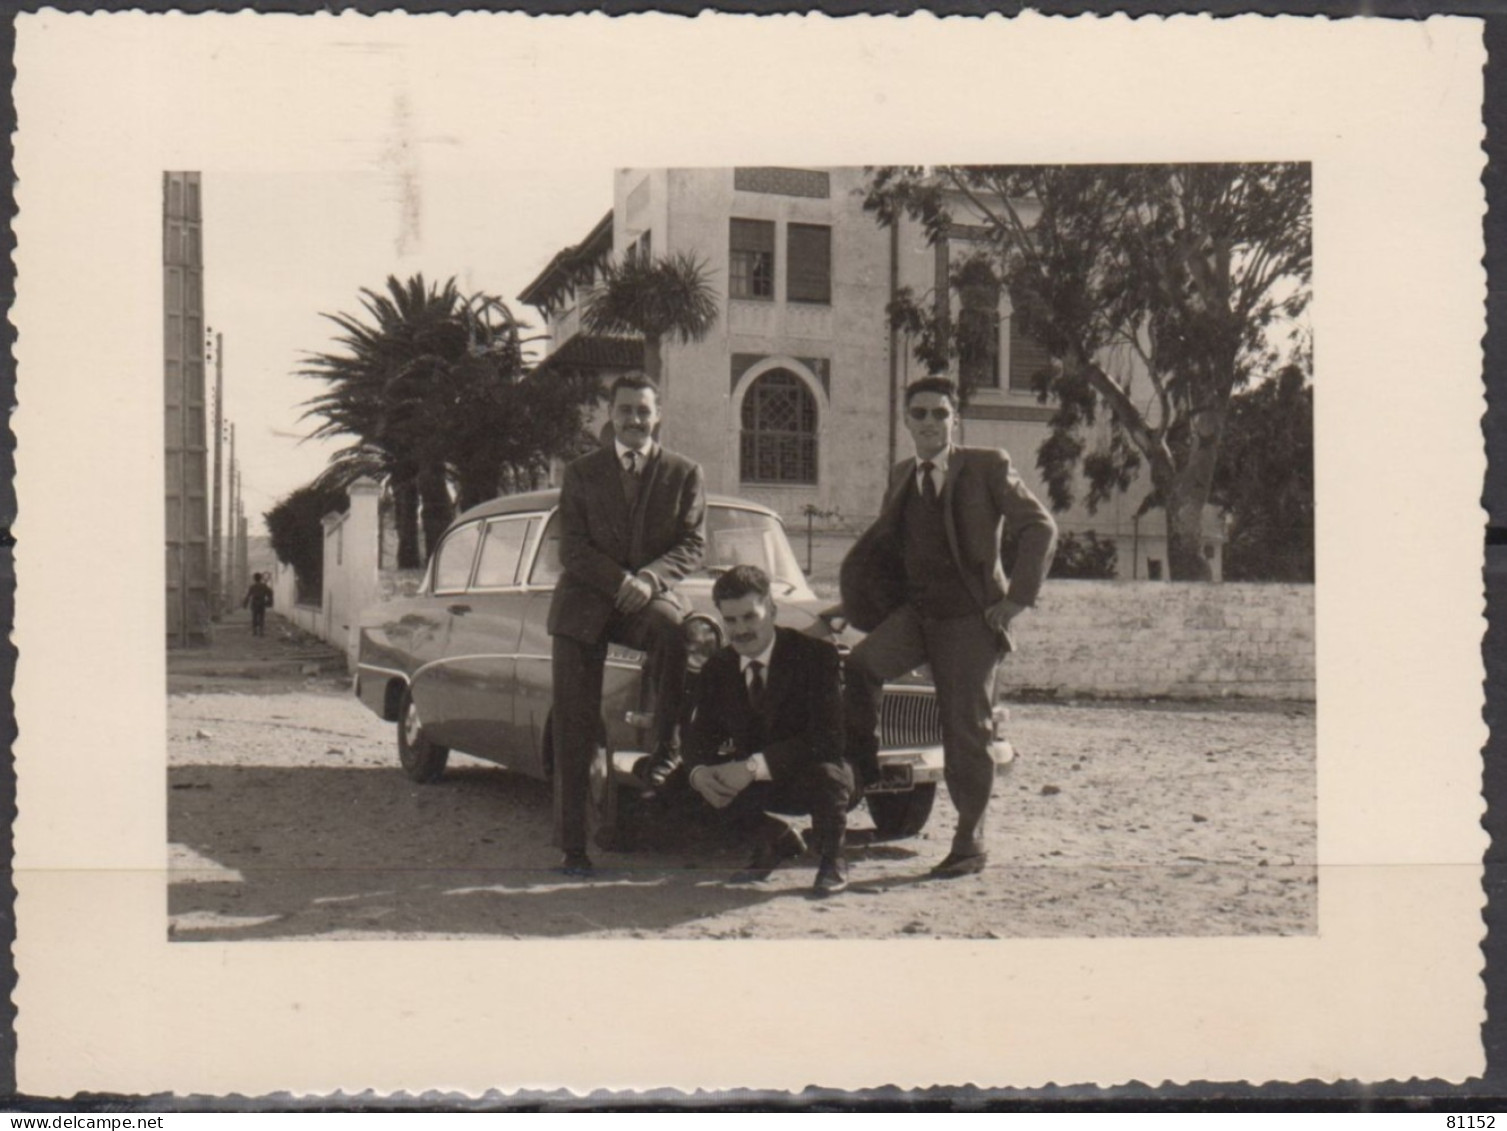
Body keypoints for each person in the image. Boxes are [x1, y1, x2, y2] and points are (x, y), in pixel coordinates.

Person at [840, 376, 1057, 879]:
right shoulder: (900, 476)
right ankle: (865, 769)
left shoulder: (987, 465)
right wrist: (849, 604)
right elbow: (887, 554)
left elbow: (1040, 527)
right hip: (918, 616)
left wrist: (1016, 600)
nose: (931, 423)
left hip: (970, 621)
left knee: (966, 731)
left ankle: (968, 843)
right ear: (905, 420)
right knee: (863, 664)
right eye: (920, 413)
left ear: (955, 419)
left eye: (941, 413)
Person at [548, 372, 706, 877]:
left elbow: (692, 543)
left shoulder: (683, 472)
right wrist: (622, 580)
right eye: (625, 411)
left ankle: (665, 750)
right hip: (584, 604)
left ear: (657, 415)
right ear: (610, 416)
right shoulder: (581, 472)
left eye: (643, 410)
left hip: (645, 598)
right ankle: (573, 848)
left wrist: (651, 580)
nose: (634, 420)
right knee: (575, 723)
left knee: (675, 631)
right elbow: (571, 547)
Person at [684, 565, 852, 896]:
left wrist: (752, 766)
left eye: (750, 617)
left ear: (772, 610)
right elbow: (698, 734)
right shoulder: (718, 666)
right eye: (730, 621)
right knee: (680, 784)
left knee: (828, 773)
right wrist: (700, 772)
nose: (741, 630)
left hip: (816, 773)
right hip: (758, 779)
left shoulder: (815, 655)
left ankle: (833, 860)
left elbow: (829, 739)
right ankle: (774, 838)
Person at [242, 572, 274, 637]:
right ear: (260, 578)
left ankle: (254, 631)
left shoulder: (252, 586)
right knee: (261, 617)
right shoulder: (264, 586)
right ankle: (261, 631)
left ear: (254, 579)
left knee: (254, 617)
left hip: (254, 603)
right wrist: (269, 602)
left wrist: (245, 604)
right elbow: (270, 593)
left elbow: (248, 595)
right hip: (262, 603)